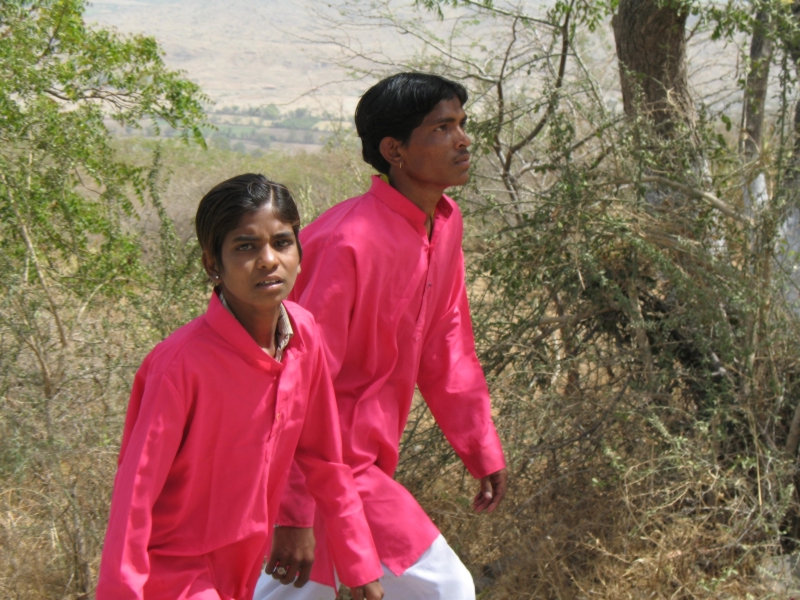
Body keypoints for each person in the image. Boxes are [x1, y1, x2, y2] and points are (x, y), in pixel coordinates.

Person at [254, 73, 508, 600]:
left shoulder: (444, 223)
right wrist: (294, 507)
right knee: (446, 588)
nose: (463, 140)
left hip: (359, 464)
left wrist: (480, 445)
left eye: (462, 124)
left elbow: (448, 343)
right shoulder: (346, 242)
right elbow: (295, 381)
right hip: (319, 466)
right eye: (443, 127)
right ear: (394, 149)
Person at [96, 174, 384, 600]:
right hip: (174, 574)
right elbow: (134, 497)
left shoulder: (303, 335)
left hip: (243, 569)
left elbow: (325, 459)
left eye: (282, 242)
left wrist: (358, 563)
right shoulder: (180, 365)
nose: (269, 260)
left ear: (300, 252)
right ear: (212, 263)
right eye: (246, 247)